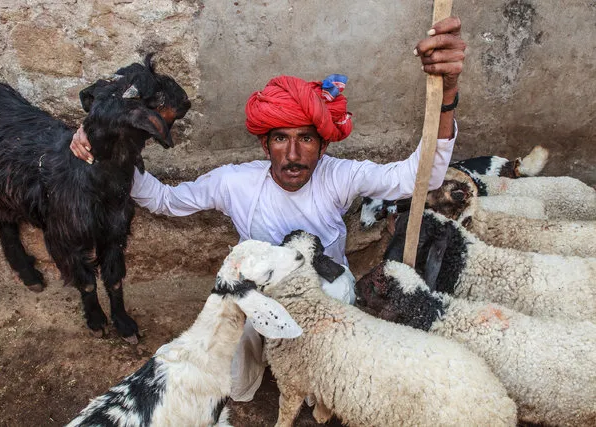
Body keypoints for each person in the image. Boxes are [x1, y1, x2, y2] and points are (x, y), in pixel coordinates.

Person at [71, 17, 466, 401]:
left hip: (320, 291)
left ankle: (319, 385)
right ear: (265, 146)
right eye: (280, 139)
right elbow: (164, 200)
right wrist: (104, 154)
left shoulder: (339, 176)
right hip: (256, 293)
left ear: (323, 146)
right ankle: (250, 378)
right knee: (236, 360)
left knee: (340, 293)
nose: (293, 155)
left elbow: (421, 177)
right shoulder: (234, 183)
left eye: (306, 140)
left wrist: (447, 94)